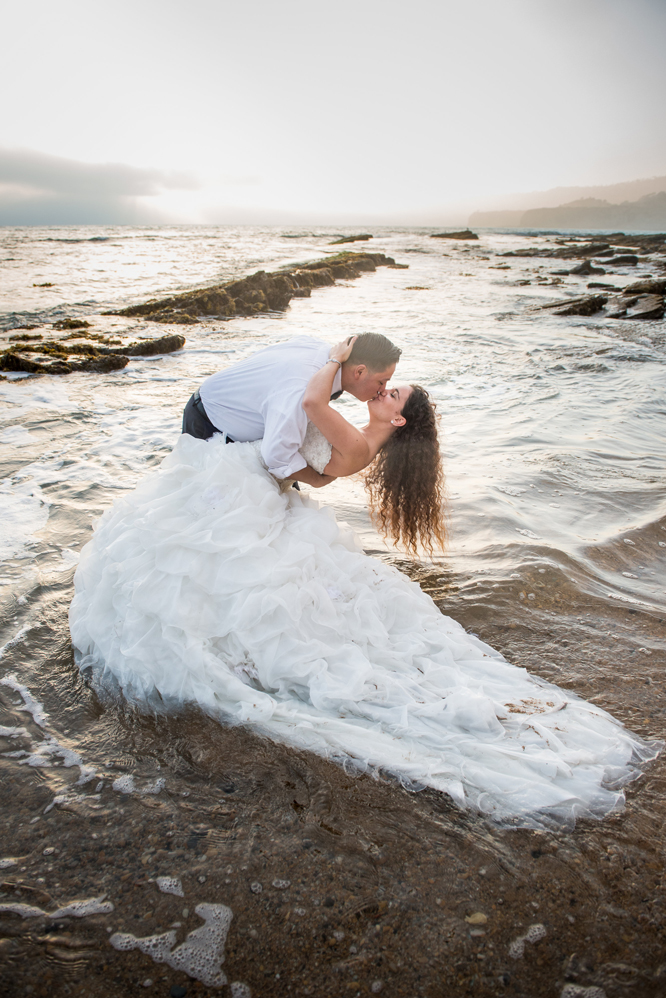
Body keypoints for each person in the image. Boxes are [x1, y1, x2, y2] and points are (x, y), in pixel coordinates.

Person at [69, 336, 659, 828]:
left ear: (395, 416)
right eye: (385, 383)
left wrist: (331, 362)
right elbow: (310, 454)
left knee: (246, 578)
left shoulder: (356, 437)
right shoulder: (362, 437)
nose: (384, 391)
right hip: (268, 465)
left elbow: (306, 411)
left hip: (259, 462)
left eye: (391, 391)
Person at [182, 331, 401, 489]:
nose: (382, 389)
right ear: (360, 372)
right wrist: (316, 481)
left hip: (245, 430)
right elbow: (276, 457)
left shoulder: (317, 349)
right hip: (210, 426)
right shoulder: (301, 390)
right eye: (382, 381)